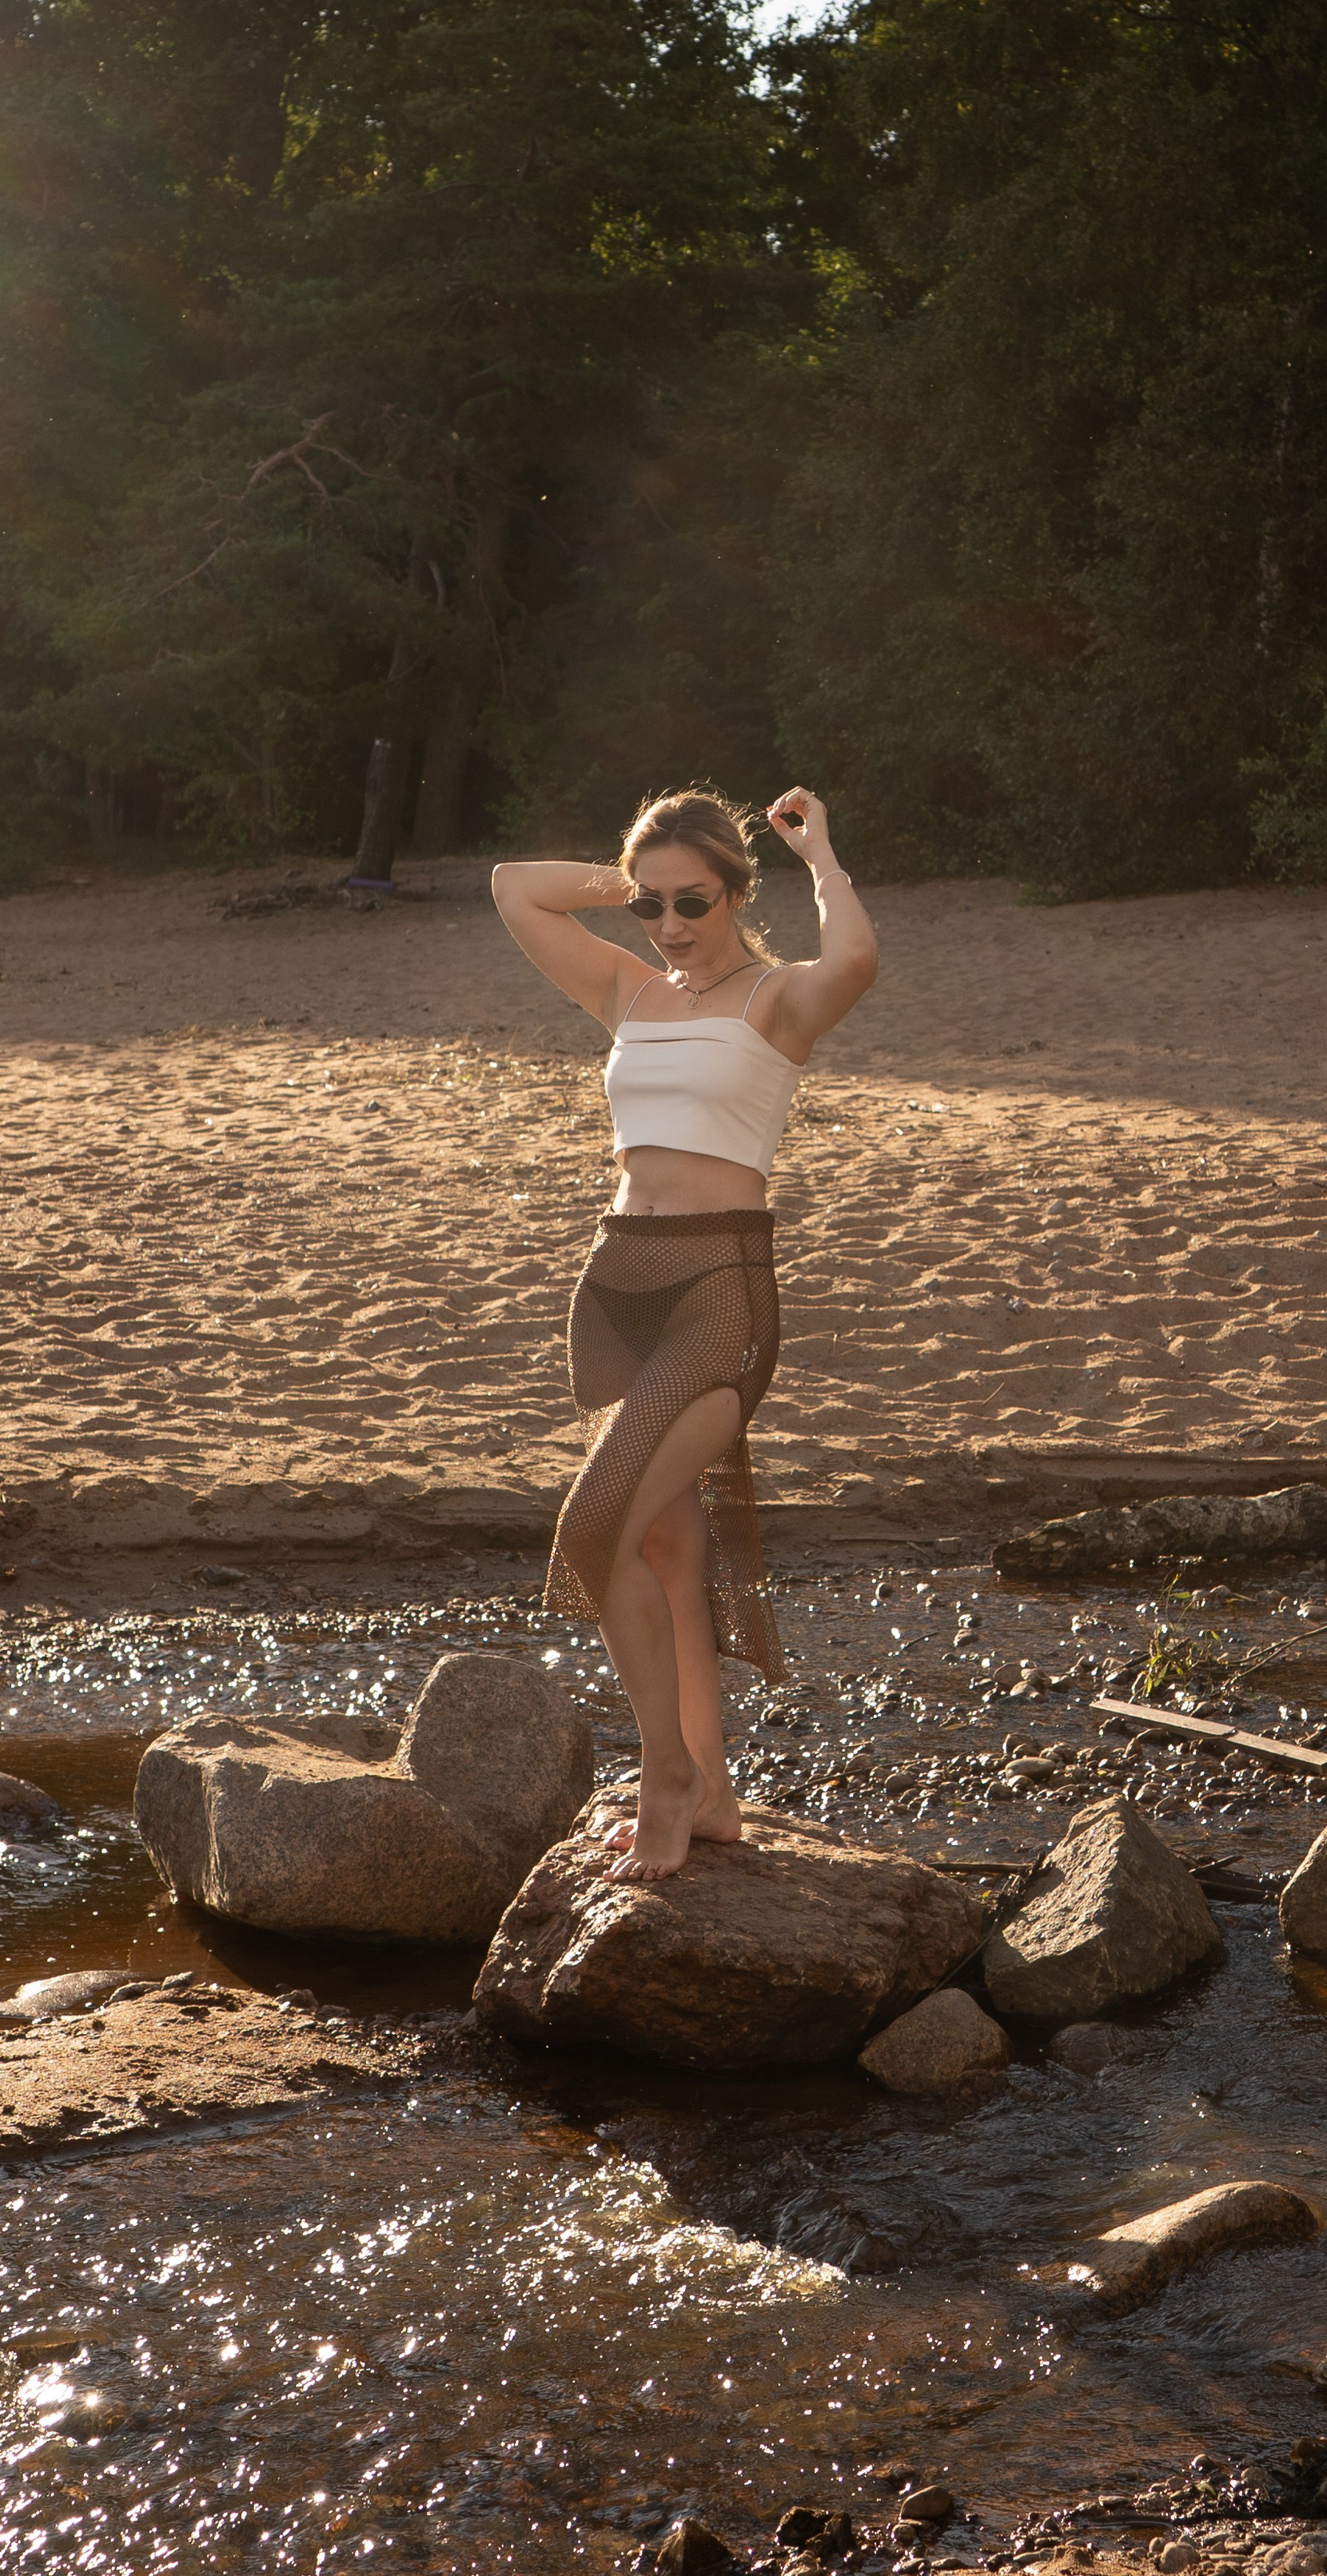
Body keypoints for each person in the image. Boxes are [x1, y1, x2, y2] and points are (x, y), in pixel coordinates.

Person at [492, 785, 878, 1879]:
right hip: (619, 1290)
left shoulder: (777, 1000)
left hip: (719, 1295)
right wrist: (634, 876)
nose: (667, 926)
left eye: (693, 901)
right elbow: (513, 890)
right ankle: (711, 1792)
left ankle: (664, 1777)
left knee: (594, 1531)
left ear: (736, 892)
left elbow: (855, 958)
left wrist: (822, 855)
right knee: (662, 1542)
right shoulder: (627, 988)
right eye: (650, 906)